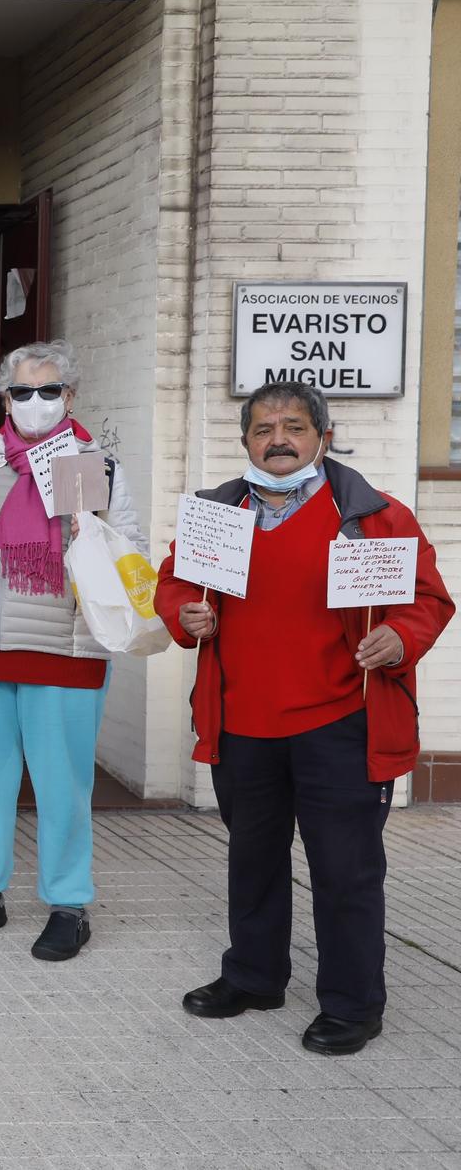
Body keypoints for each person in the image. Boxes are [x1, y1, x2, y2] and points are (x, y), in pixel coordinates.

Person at [156, 382, 452, 1056]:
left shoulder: (372, 515)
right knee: (252, 860)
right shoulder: (215, 513)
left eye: (294, 425)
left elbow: (427, 600)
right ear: (245, 441)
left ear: (323, 434)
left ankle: (352, 1004)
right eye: (264, 428)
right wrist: (184, 613)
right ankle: (255, 976)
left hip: (341, 721)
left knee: (345, 869)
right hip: (244, 723)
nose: (279, 437)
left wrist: (401, 637)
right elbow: (173, 584)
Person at [0, 339, 144, 962]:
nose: (33, 403)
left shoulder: (96, 465)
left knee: (63, 782)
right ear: (3, 397)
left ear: (69, 396)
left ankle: (68, 902)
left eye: (48, 391)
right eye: (21, 391)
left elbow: (129, 558)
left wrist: (89, 535)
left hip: (64, 654)